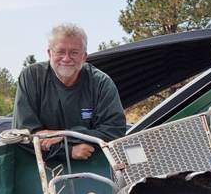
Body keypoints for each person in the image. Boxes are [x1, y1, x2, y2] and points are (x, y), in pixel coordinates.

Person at [12, 23, 126, 160]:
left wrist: (64, 134)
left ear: (84, 57)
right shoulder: (31, 77)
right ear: (49, 54)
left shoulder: (101, 83)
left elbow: (114, 132)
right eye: (60, 52)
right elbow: (24, 136)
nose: (66, 59)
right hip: (38, 170)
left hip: (93, 169)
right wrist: (68, 151)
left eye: (74, 53)